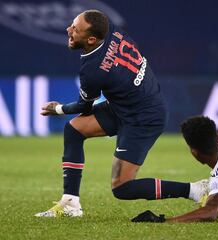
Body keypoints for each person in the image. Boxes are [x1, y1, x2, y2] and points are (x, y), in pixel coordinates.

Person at [35, 9, 208, 217]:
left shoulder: (93, 69)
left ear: (91, 39)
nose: (68, 30)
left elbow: (84, 107)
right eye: (72, 24)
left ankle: (195, 190)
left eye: (75, 29)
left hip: (143, 117)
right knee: (73, 130)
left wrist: (58, 108)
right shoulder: (112, 31)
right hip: (126, 105)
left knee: (122, 188)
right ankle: (70, 203)